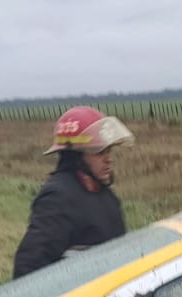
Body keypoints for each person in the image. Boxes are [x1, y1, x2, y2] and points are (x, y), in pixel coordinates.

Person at [11, 106, 135, 279]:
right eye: (99, 152)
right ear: (75, 156)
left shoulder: (104, 194)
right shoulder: (58, 198)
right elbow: (28, 267)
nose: (108, 159)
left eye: (109, 150)